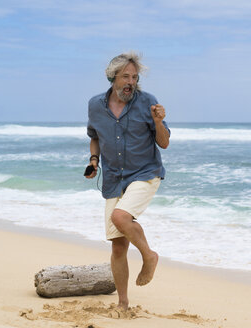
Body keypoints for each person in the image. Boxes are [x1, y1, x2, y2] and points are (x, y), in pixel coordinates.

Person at [85, 51, 170, 310]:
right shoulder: (95, 105)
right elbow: (94, 136)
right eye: (125, 76)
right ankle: (123, 304)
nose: (130, 82)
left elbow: (164, 143)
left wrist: (158, 122)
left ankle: (149, 256)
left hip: (145, 172)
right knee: (118, 247)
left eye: (134, 77)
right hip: (113, 178)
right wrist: (93, 160)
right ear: (113, 77)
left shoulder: (148, 102)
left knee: (121, 217)